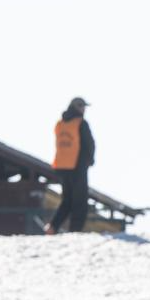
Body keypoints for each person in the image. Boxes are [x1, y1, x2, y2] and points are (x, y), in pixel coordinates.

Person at [46, 97, 95, 235]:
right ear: (76, 107)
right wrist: (89, 160)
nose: (84, 109)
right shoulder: (81, 123)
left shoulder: (60, 124)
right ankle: (75, 232)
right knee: (80, 201)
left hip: (61, 166)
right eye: (82, 106)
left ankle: (53, 227)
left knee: (67, 200)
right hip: (77, 166)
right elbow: (89, 144)